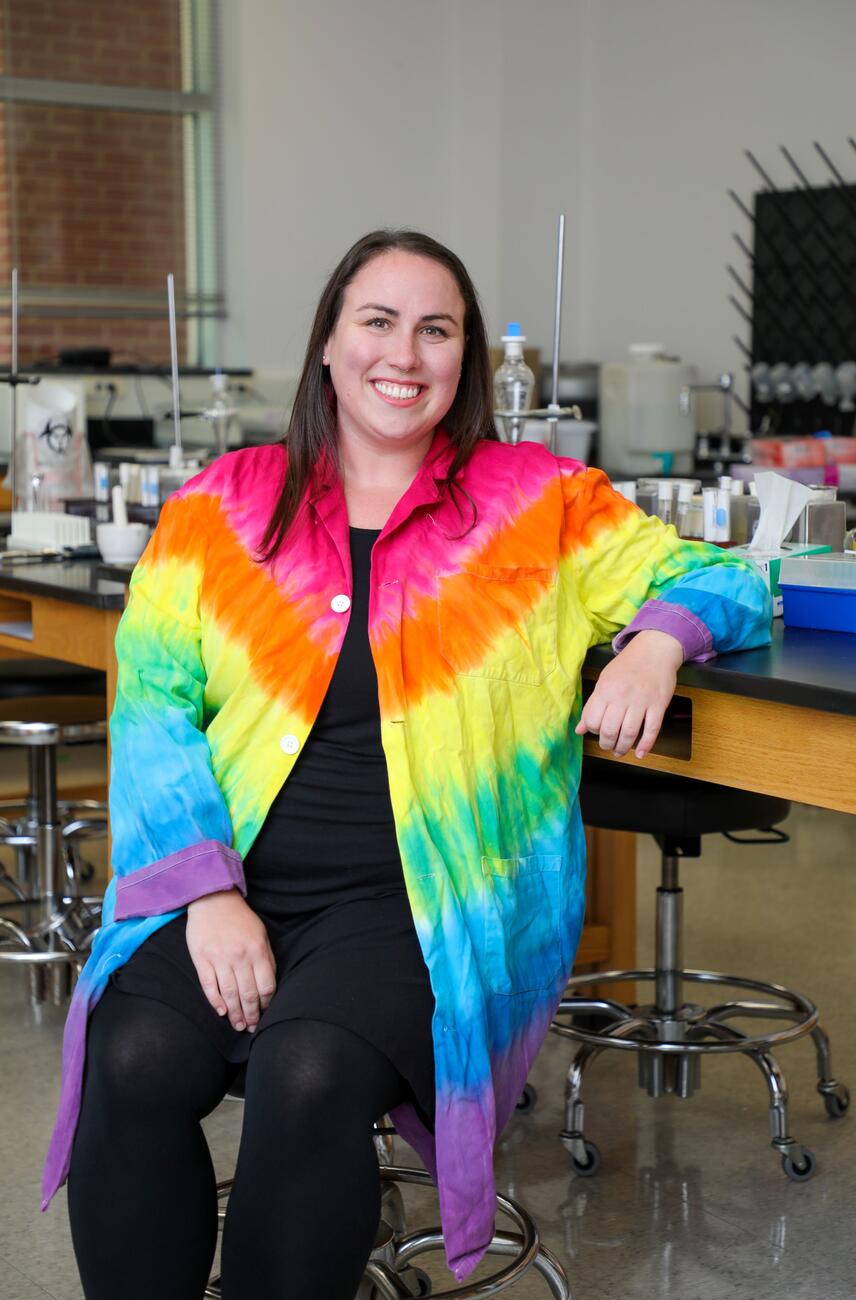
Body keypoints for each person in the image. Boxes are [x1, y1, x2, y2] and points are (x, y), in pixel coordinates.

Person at [43, 229, 771, 1299]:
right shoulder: (220, 507)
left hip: (428, 898)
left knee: (309, 1068)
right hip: (231, 879)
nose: (406, 352)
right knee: (134, 1056)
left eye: (437, 329)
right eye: (378, 321)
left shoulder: (543, 503)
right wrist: (205, 892)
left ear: (465, 357)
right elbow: (152, 707)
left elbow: (730, 579)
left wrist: (658, 636)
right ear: (330, 345)